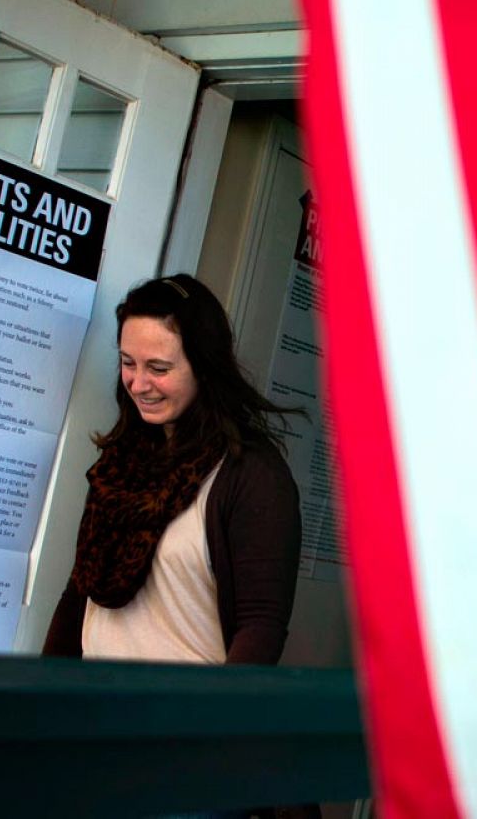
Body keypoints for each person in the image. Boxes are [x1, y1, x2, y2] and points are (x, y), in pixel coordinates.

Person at [43, 273, 301, 665]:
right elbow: (78, 592)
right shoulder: (119, 467)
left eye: (159, 368)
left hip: (182, 718)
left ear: (204, 367)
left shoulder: (252, 476)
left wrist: (212, 723)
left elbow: (260, 626)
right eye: (128, 363)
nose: (139, 384)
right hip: (89, 712)